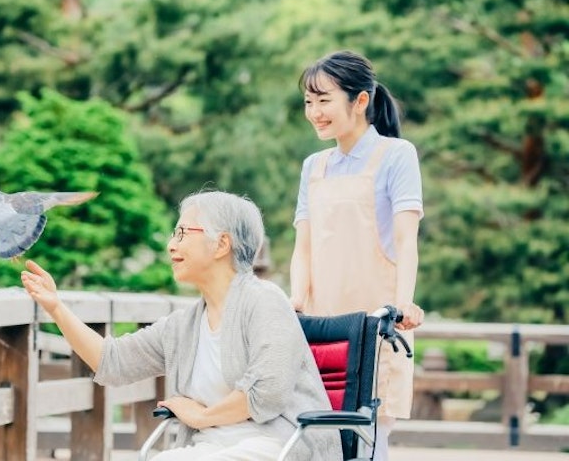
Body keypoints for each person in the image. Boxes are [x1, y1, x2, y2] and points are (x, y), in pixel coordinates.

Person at [22, 190, 342, 461]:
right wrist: (57, 307)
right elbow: (113, 361)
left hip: (278, 447)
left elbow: (266, 394)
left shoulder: (265, 301)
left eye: (182, 233)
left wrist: (201, 416)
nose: (171, 245)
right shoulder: (183, 326)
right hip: (210, 449)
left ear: (221, 244)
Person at [289, 50, 425, 461]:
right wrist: (296, 300)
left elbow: (406, 242)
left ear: (360, 100)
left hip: (376, 323)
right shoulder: (314, 166)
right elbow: (303, 248)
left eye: (324, 100)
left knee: (369, 441)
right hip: (322, 326)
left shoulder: (397, 156)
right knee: (316, 437)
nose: (314, 112)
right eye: (309, 102)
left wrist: (403, 303)